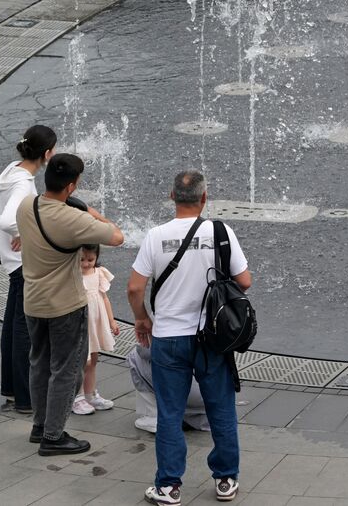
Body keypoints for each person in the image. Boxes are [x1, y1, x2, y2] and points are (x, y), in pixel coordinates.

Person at [128, 171, 250, 505]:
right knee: (220, 409)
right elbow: (245, 280)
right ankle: (226, 480)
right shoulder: (220, 231)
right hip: (210, 338)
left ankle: (168, 486)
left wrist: (142, 318)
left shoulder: (155, 236)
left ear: (172, 196)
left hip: (168, 337)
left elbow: (135, 287)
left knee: (169, 412)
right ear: (204, 198)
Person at [17, 153, 124, 456]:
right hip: (65, 306)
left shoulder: (28, 206)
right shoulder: (72, 219)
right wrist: (88, 210)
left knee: (39, 364)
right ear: (72, 186)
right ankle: (54, 436)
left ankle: (40, 427)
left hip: (33, 302)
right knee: (68, 370)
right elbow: (117, 236)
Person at [0, 124, 56, 416]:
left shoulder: (12, 170)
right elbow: (7, 221)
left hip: (10, 259)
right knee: (23, 329)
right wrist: (26, 231)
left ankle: (11, 387)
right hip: (22, 262)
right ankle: (24, 397)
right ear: (46, 153)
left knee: (11, 325)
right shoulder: (23, 183)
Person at [72, 245, 120, 415]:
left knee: (93, 359)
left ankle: (90, 394)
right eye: (82, 259)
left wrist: (111, 320)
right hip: (81, 322)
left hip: (95, 322)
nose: (86, 264)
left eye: (90, 260)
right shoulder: (73, 275)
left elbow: (104, 298)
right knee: (80, 361)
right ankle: (76, 398)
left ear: (96, 257)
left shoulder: (99, 273)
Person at [127, 345, 210, 434]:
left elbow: (144, 352)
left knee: (134, 355)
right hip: (220, 388)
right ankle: (202, 417)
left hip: (194, 391)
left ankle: (154, 416)